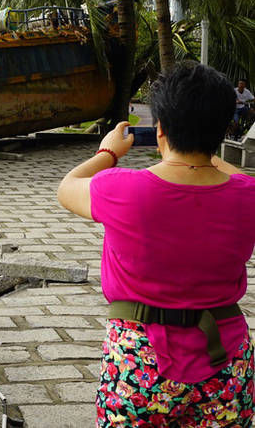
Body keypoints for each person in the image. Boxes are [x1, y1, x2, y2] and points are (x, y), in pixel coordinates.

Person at [57, 62, 255, 427]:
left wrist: (108, 154)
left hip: (138, 362)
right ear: (224, 128)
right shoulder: (248, 196)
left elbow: (66, 187)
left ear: (160, 129)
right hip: (226, 363)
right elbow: (237, 177)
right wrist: (208, 153)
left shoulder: (121, 188)